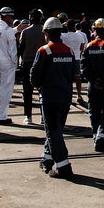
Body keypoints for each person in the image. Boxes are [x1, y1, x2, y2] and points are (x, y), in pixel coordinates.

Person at [30, 16, 75, 179]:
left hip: (49, 98)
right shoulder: (69, 50)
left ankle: (63, 166)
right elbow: (72, 74)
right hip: (65, 97)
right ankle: (47, 158)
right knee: (57, 131)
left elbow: (34, 78)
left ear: (47, 33)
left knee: (53, 132)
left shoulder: (44, 51)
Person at [81, 19, 104, 152]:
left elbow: (83, 67)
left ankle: (96, 137)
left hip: (93, 86)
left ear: (95, 31)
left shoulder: (88, 47)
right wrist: (102, 80)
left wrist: (94, 80)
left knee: (94, 112)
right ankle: (102, 140)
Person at [18, 9, 46, 125]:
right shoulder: (45, 31)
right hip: (43, 63)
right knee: (43, 92)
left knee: (27, 92)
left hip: (28, 63)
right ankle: (43, 117)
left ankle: (28, 116)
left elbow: (21, 48)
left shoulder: (25, 32)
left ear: (30, 18)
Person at [60, 18, 89, 107]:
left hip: (67, 59)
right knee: (77, 78)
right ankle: (79, 95)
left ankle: (68, 96)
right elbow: (82, 47)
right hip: (77, 58)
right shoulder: (79, 36)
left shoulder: (63, 36)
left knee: (67, 78)